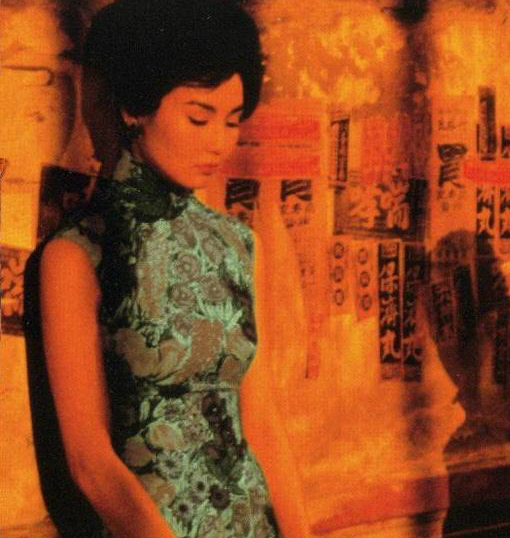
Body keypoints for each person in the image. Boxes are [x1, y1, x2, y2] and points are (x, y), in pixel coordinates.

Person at [39, 0, 306, 536]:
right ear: (134, 108)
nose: (219, 142)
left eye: (232, 121)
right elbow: (89, 461)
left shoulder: (237, 244)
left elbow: (262, 426)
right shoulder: (78, 254)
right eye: (198, 118)